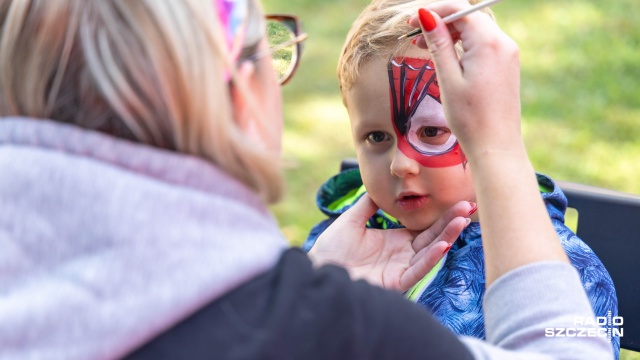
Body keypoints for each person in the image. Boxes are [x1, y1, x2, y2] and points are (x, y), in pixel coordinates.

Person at [0, 0, 612, 359]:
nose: (400, 162)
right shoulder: (318, 332)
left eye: (432, 131)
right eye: (272, 50)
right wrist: (498, 146)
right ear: (236, 88)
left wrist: (310, 277)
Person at [302, 0, 620, 357]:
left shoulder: (568, 271)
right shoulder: (340, 247)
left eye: (433, 131)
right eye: (377, 138)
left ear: (487, 121)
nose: (400, 164)